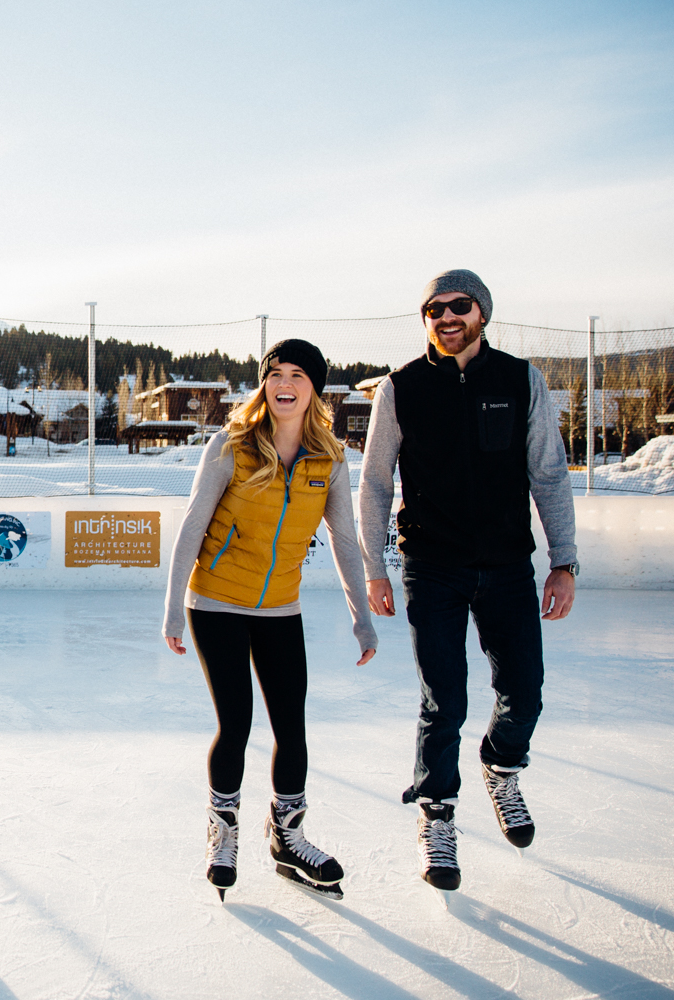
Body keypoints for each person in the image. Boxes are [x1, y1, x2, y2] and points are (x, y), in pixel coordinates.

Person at [358, 268, 577, 893]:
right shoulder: (399, 389)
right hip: (433, 566)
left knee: (525, 691)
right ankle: (438, 817)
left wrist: (563, 560)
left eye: (459, 306)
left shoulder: (519, 379)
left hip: (508, 565)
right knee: (443, 700)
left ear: (482, 312)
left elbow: (549, 474)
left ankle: (502, 765)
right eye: (434, 309)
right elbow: (374, 484)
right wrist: (376, 567)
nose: (446, 317)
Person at [163, 339, 377, 901]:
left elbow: (344, 540)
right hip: (215, 602)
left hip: (281, 605)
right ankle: (223, 828)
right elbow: (191, 527)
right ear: (264, 384)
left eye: (297, 375)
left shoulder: (328, 458)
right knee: (236, 724)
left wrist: (362, 618)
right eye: (275, 373)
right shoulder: (231, 445)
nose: (284, 383)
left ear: (315, 388)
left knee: (292, 727)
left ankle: (287, 834)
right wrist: (172, 613)